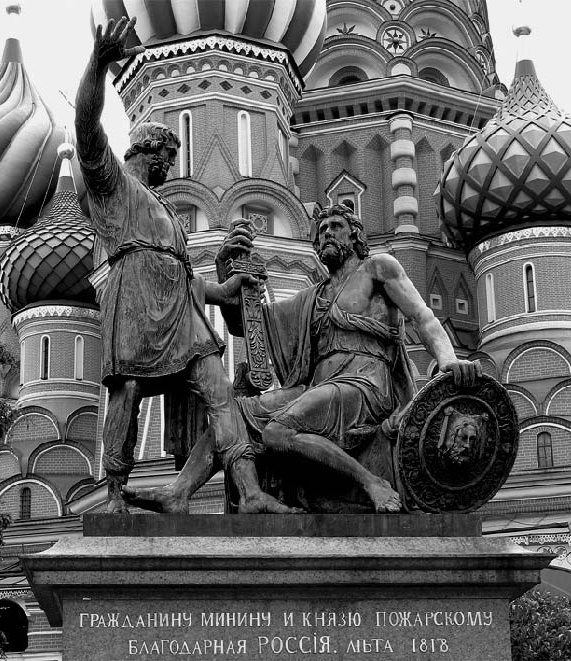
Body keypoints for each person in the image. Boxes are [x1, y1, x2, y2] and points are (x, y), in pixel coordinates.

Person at [124, 204, 481, 513]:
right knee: (232, 412)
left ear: (355, 235)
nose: (327, 234)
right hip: (320, 387)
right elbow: (247, 325)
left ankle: (371, 482)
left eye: (336, 226)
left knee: (277, 432)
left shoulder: (377, 268)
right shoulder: (313, 297)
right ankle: (179, 492)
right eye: (322, 229)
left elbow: (422, 316)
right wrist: (227, 270)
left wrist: (448, 360)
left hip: (365, 385)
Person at [76, 17, 295, 514]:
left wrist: (226, 288)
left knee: (221, 393)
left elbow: (185, 278)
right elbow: (86, 128)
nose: (173, 166)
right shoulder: (113, 186)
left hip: (181, 314)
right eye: (169, 156)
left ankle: (250, 491)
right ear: (148, 150)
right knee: (127, 392)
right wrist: (97, 65)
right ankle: (115, 495)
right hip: (134, 301)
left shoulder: (164, 209)